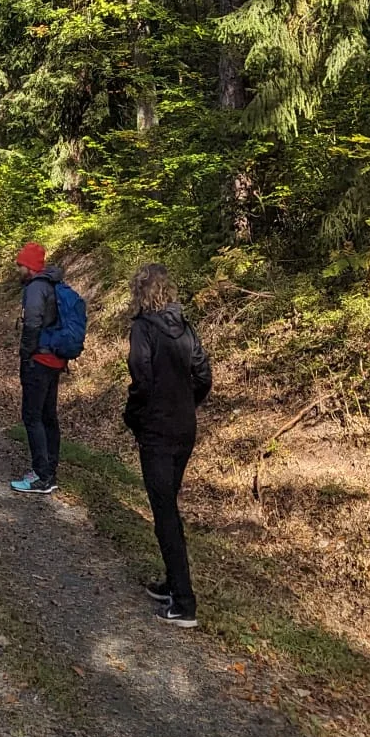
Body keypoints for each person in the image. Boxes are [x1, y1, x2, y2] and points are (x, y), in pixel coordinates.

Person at [123, 261, 212, 629]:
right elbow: (204, 374)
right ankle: (172, 584)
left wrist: (136, 414)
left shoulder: (143, 329)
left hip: (158, 430)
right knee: (166, 506)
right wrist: (187, 403)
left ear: (140, 292)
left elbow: (141, 377)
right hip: (183, 428)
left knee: (165, 513)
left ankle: (185, 603)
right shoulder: (186, 328)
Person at [10, 241, 66, 495]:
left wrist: (25, 354)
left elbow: (32, 323)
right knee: (47, 416)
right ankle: (49, 470)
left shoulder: (35, 289)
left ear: (30, 267)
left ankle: (40, 475)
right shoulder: (53, 284)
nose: (18, 269)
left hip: (39, 360)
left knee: (33, 417)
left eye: (21, 265)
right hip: (54, 358)